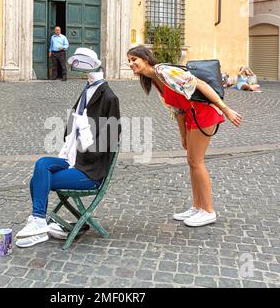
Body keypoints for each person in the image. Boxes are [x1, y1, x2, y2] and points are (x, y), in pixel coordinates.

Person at [16, 48, 121, 247]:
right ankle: (39, 222)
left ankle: (39, 224)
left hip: (89, 171)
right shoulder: (86, 90)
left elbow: (109, 139)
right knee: (42, 165)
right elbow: (72, 125)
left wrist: (85, 132)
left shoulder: (109, 97)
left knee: (37, 181)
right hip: (72, 159)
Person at [127, 45, 242, 227]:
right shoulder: (156, 81)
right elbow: (178, 110)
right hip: (191, 116)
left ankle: (208, 210)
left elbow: (201, 85)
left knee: (197, 161)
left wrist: (226, 110)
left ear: (146, 59)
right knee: (192, 161)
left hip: (204, 113)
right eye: (129, 61)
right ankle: (198, 206)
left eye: (134, 59)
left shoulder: (164, 71)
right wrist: (183, 136)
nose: (131, 64)